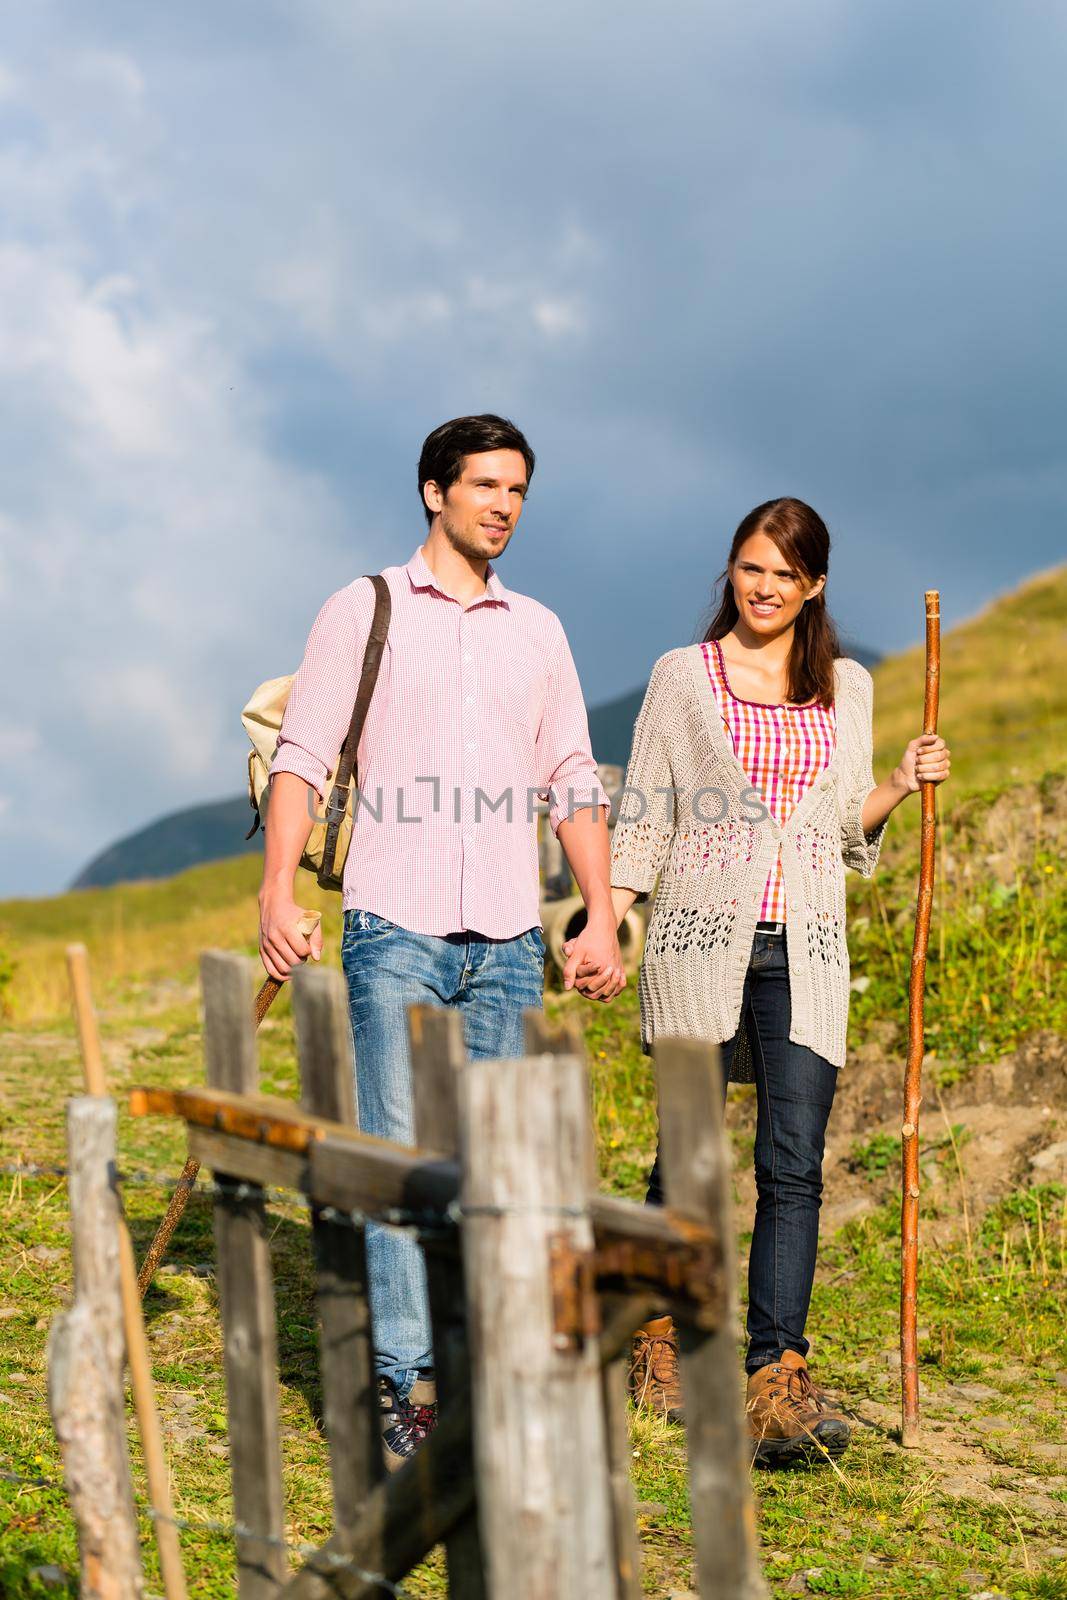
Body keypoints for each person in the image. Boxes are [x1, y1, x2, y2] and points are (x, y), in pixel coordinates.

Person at [258, 414, 625, 1469]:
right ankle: (406, 1398)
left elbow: (569, 774)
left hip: (509, 937)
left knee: (491, 1173)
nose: (502, 505)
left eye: (517, 490)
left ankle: (478, 1381)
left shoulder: (538, 630)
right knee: (400, 1166)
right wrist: (276, 892)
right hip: (395, 926)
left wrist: (594, 915)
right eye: (483, 486)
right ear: (433, 491)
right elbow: (304, 758)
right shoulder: (363, 607)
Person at [601, 497, 950, 1465]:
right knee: (687, 1153)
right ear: (732, 572)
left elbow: (844, 824)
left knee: (791, 1162)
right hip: (696, 937)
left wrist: (899, 784)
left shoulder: (845, 683)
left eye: (782, 575)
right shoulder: (683, 676)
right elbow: (645, 813)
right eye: (749, 569)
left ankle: (775, 1374)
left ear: (813, 586)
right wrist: (609, 913)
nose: (762, 588)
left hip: (806, 947)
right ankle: (657, 1336)